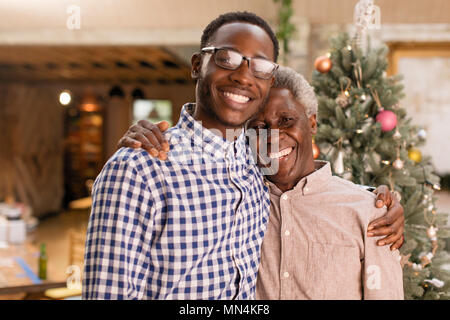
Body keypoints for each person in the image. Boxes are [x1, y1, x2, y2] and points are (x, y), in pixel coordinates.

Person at [85, 11, 404, 300]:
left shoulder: (252, 169)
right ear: (197, 65)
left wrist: (378, 202)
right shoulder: (139, 168)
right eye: (227, 58)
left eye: (261, 66)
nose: (243, 75)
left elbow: (313, 196)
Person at [247, 66, 403, 299]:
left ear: (312, 123)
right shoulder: (237, 203)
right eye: (259, 128)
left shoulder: (369, 213)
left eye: (286, 120)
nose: (273, 136)